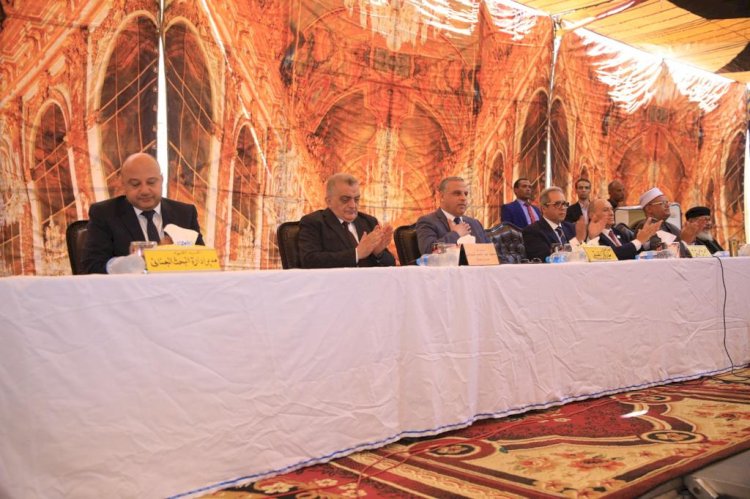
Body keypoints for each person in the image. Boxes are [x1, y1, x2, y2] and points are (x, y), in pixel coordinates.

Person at [82, 153, 204, 274]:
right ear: (123, 184)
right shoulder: (104, 214)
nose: (145, 191)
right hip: (129, 287)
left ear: (161, 180)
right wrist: (136, 262)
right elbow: (91, 266)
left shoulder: (185, 214)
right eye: (135, 184)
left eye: (151, 182)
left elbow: (204, 262)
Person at [298, 173, 395, 268]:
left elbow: (391, 264)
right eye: (345, 199)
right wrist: (356, 254)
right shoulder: (314, 222)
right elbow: (309, 261)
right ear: (329, 201)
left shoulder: (369, 221)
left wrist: (378, 254)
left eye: (356, 199)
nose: (353, 205)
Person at [415, 176, 490, 256]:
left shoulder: (475, 223)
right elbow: (429, 252)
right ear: (442, 197)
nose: (463, 198)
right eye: (457, 193)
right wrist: (456, 234)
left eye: (465, 194)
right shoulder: (428, 222)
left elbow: (491, 254)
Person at [522, 186, 587, 262]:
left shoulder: (571, 227)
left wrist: (591, 236)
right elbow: (546, 258)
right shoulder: (532, 231)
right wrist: (576, 241)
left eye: (564, 204)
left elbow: (584, 255)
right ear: (544, 208)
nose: (563, 208)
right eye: (557, 204)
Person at [633, 187, 699, 258]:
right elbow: (662, 253)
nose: (668, 206)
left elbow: (689, 255)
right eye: (663, 203)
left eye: (667, 202)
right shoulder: (645, 227)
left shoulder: (672, 227)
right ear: (649, 209)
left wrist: (691, 239)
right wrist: (685, 242)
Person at [586, 199, 660, 260]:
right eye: (605, 210)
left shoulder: (618, 232)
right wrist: (639, 241)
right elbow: (614, 254)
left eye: (611, 209)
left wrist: (646, 241)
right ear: (592, 215)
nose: (611, 213)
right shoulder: (591, 236)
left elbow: (633, 252)